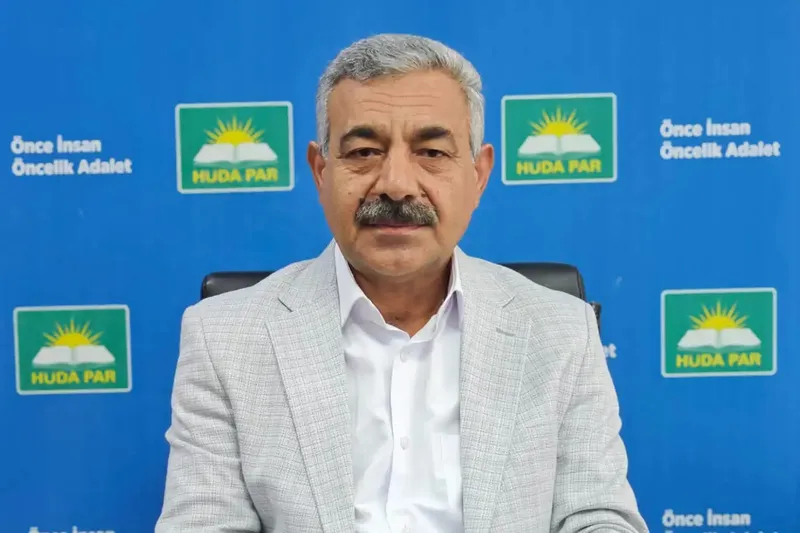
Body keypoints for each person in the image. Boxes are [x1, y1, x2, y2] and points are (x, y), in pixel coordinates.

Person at [155, 33, 648, 533]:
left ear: (478, 175)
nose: (396, 185)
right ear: (321, 172)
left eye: (431, 152)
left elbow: (597, 517)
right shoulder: (224, 339)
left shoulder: (561, 330)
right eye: (364, 151)